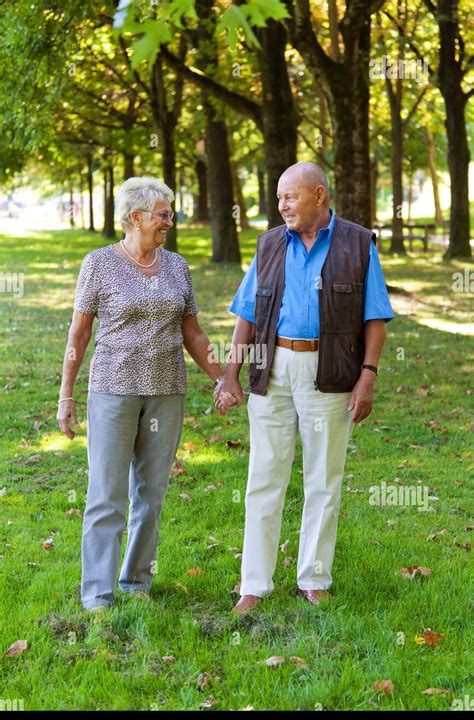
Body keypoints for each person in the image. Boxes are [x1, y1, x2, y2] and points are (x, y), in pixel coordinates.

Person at [215, 162, 394, 613]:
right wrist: (232, 374)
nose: (282, 206)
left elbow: (375, 316)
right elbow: (247, 315)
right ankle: (253, 584)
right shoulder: (270, 245)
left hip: (330, 371)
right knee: (264, 476)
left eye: (289, 197)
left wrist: (368, 375)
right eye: (278, 199)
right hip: (272, 368)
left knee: (323, 478)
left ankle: (313, 578)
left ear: (319, 195)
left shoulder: (358, 243)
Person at [57, 176, 233, 612]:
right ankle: (98, 593)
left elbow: (192, 331)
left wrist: (221, 377)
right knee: (106, 494)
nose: (170, 222)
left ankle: (137, 581)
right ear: (135, 217)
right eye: (163, 214)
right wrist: (67, 395)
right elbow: (79, 334)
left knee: (151, 495)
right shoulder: (98, 263)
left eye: (170, 214)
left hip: (166, 391)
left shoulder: (177, 267)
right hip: (113, 392)